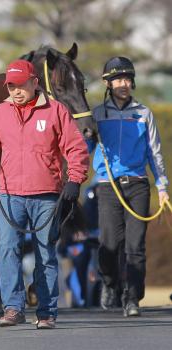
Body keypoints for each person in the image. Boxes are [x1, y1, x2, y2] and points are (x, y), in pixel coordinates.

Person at [0, 59, 89, 329]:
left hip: (47, 195)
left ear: (35, 82)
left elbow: (76, 148)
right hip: (10, 195)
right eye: (11, 86)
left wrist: (75, 179)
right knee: (8, 250)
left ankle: (46, 312)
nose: (16, 91)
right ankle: (13, 308)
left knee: (45, 252)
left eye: (22, 85)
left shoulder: (56, 111)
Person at [88, 57, 170, 317]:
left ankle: (132, 297)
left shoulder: (144, 113)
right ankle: (111, 284)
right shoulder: (98, 114)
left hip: (137, 185)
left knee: (135, 246)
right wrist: (86, 136)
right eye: (117, 80)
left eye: (126, 79)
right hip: (108, 186)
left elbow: (154, 153)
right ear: (107, 83)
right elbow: (84, 150)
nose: (123, 84)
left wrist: (162, 186)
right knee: (109, 244)